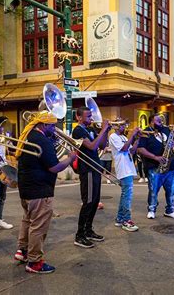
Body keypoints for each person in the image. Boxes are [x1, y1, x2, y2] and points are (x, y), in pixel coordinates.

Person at [14, 111, 76, 273]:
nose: (55, 129)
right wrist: (70, 158)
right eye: (52, 126)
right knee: (38, 226)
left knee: (27, 221)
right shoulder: (42, 141)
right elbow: (54, 167)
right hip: (40, 190)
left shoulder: (28, 136)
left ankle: (23, 250)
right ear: (44, 125)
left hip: (27, 188)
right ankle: (35, 261)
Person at [72, 106, 110, 248]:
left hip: (95, 168)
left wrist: (105, 131)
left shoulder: (91, 129)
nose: (91, 118)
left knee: (95, 201)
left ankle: (88, 230)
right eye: (88, 116)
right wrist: (103, 129)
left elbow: (102, 145)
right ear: (79, 117)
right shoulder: (78, 130)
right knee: (88, 202)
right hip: (87, 169)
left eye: (91, 116)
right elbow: (92, 146)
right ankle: (79, 235)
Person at [138, 114, 174, 220]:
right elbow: (140, 149)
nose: (161, 123)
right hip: (154, 166)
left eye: (161, 121)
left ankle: (170, 210)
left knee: (171, 190)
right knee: (153, 190)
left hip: (171, 166)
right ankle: (151, 210)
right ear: (152, 122)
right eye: (158, 121)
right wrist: (155, 157)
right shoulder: (146, 132)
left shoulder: (166, 129)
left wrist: (173, 143)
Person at [109, 120, 140, 231]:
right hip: (123, 169)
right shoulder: (113, 136)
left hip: (129, 168)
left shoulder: (124, 137)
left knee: (125, 194)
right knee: (127, 195)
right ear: (116, 127)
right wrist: (132, 135)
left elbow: (131, 150)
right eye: (122, 125)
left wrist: (137, 139)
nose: (124, 127)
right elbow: (123, 148)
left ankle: (120, 218)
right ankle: (126, 220)